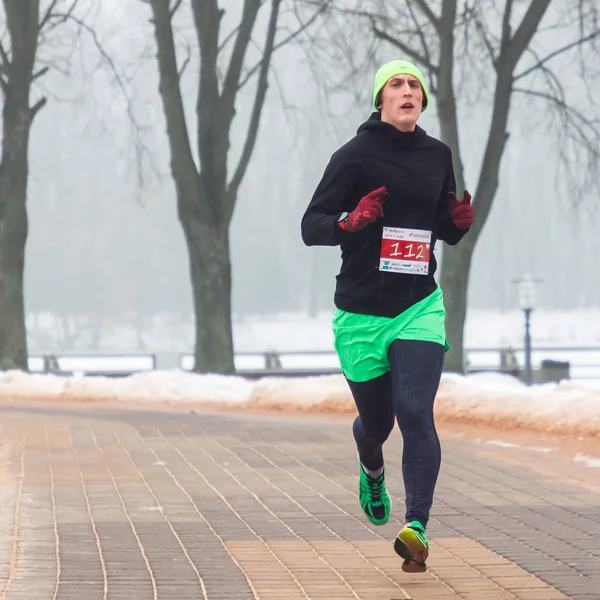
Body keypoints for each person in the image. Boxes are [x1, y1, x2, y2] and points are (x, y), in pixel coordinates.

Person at [301, 60, 473, 573]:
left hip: (418, 305)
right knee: (376, 423)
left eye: (415, 84)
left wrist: (456, 223)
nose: (407, 91)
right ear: (380, 98)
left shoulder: (437, 155)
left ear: (423, 99)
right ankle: (371, 467)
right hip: (360, 313)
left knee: (416, 412)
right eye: (396, 84)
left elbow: (439, 224)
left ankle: (416, 526)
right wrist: (348, 221)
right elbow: (311, 226)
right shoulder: (353, 156)